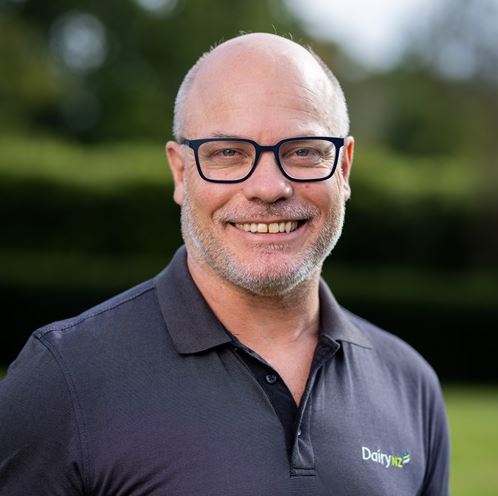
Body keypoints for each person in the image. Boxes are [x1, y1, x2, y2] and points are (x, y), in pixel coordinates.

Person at [0, 33, 449, 495]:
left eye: (303, 151)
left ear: (345, 168)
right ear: (180, 172)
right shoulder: (64, 379)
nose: (269, 188)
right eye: (229, 153)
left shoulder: (410, 385)